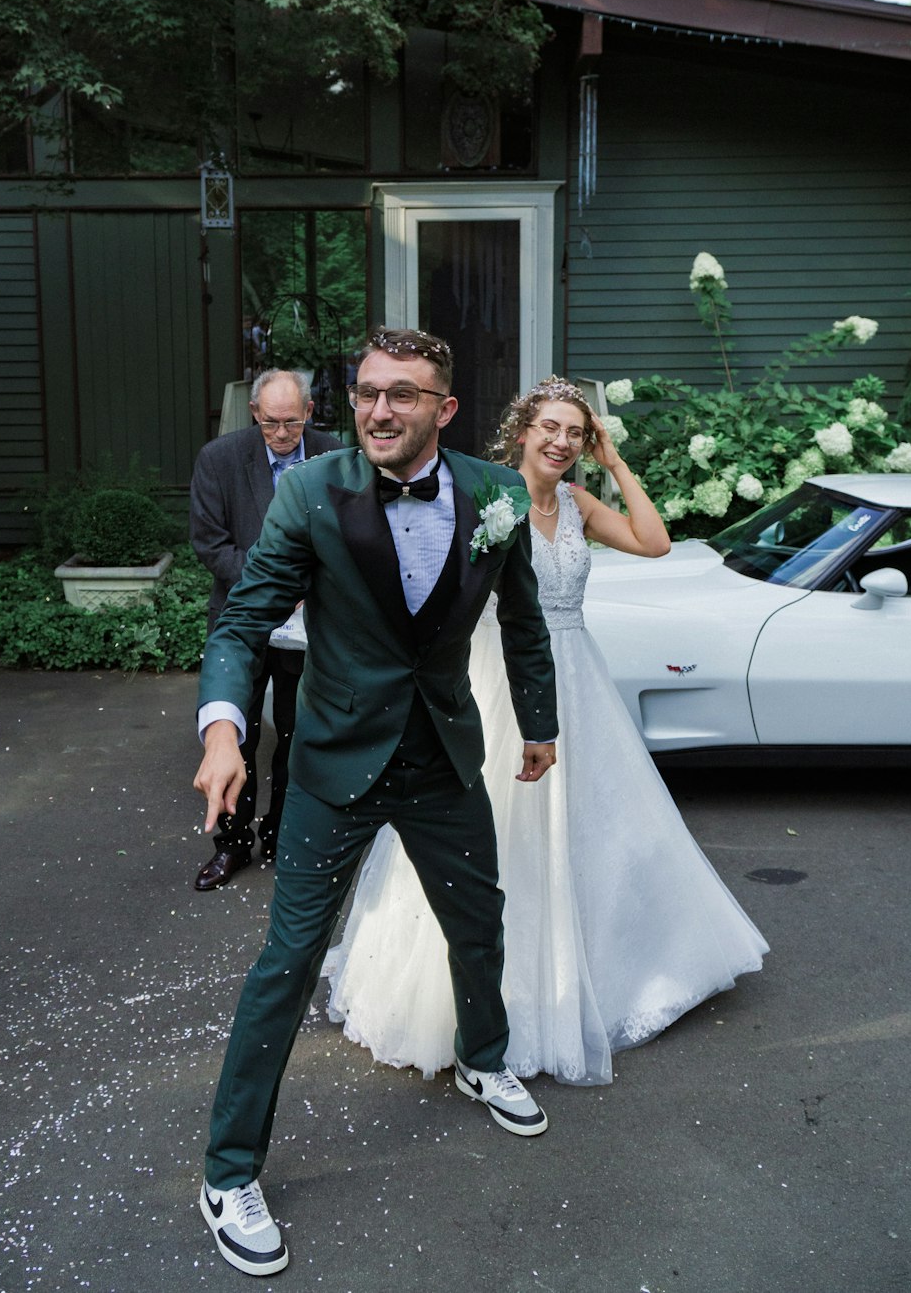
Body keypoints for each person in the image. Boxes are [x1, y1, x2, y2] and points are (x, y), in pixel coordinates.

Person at [193, 328, 559, 1278]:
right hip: (334, 763)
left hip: (442, 757)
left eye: (404, 394)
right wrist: (226, 729)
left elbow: (522, 622)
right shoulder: (310, 493)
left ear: (445, 407)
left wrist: (540, 724)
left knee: (478, 922)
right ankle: (228, 1171)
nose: (380, 410)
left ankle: (484, 1055)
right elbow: (244, 618)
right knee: (287, 960)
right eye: (365, 393)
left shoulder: (497, 493)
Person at [325, 376, 769, 1087]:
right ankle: (488, 998)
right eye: (550, 428)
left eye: (576, 433)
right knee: (494, 833)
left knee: (592, 831)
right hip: (498, 678)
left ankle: (595, 973)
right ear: (522, 432)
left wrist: (617, 464)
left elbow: (654, 543)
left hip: (577, 679)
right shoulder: (485, 496)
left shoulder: (578, 502)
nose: (561, 442)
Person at [189, 367, 342, 888]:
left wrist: (312, 587)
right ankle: (231, 844)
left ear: (309, 414)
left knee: (299, 731)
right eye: (272, 423)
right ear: (255, 413)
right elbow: (210, 544)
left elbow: (347, 529)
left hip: (310, 621)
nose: (281, 434)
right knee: (240, 729)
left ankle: (281, 833)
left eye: (292, 424)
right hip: (243, 615)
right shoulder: (220, 458)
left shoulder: (333, 452)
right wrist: (272, 587)